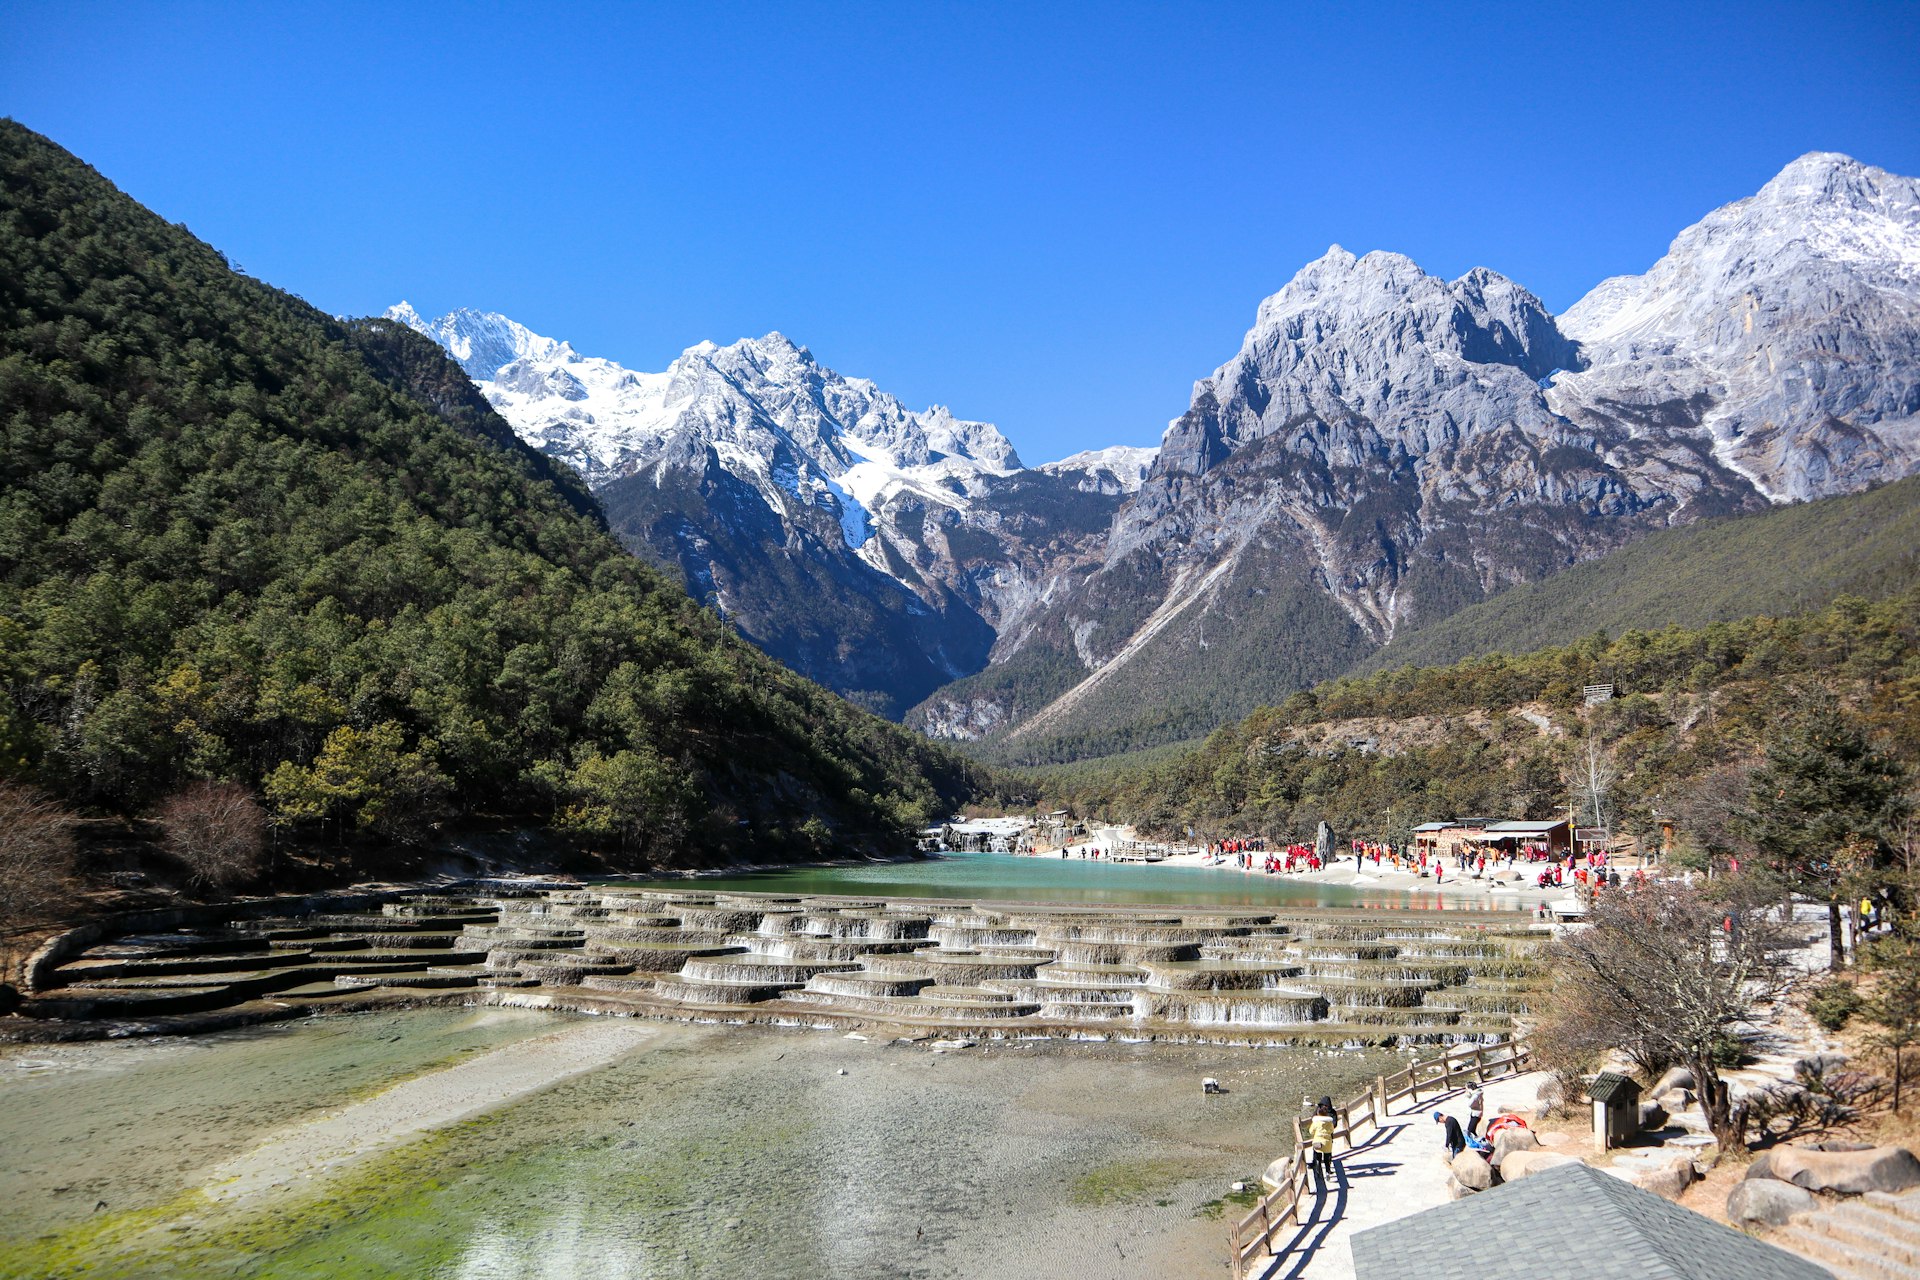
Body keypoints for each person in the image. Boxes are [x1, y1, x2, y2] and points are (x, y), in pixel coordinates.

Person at [1307, 1096, 1337, 1185]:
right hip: (1328, 1139)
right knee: (1327, 1156)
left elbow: (1311, 1130)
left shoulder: (1318, 1114)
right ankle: (1327, 1172)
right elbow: (1333, 1127)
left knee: (1318, 1156)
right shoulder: (1331, 1116)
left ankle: (1317, 1172)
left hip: (1318, 1140)